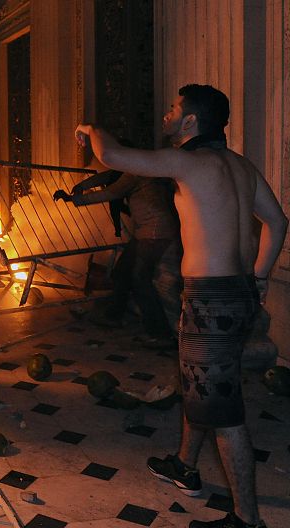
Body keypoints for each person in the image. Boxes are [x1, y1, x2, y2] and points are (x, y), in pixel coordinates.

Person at [75, 84, 288, 528]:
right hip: (238, 293)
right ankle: (185, 464)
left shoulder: (188, 161)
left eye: (173, 109)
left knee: (225, 411)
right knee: (205, 382)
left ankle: (248, 519)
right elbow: (278, 221)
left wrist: (92, 128)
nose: (167, 116)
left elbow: (111, 157)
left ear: (191, 121)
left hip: (211, 299)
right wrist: (261, 276)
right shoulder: (241, 167)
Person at [54, 161, 181, 345]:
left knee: (140, 279)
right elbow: (108, 177)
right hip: (147, 232)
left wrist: (74, 199)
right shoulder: (135, 170)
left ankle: (160, 333)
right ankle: (115, 315)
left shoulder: (135, 171)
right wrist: (82, 185)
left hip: (154, 234)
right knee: (122, 271)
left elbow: (111, 191)